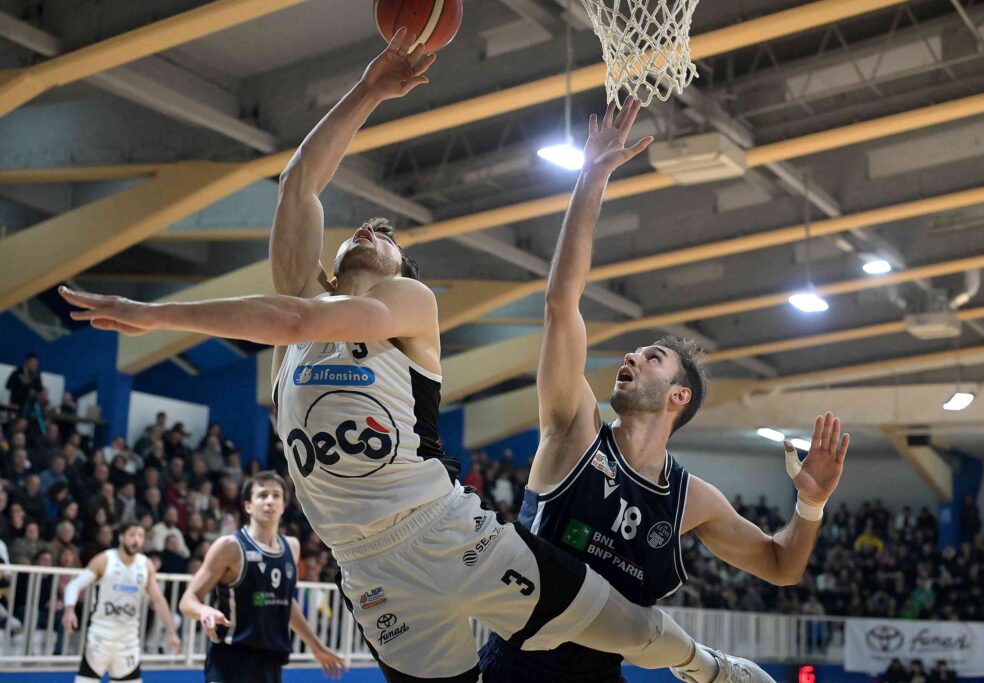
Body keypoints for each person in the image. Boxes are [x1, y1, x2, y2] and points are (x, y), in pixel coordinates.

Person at [60, 31, 784, 683]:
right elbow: (298, 185)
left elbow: (290, 315)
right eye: (363, 228)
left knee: (633, 628)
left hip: (446, 533)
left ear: (401, 264)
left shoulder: (409, 304)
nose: (372, 225)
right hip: (368, 569)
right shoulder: (301, 304)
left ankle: (709, 667)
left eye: (389, 234)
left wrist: (153, 313)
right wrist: (370, 87)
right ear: (334, 258)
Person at [477, 100, 851, 682]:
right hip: (513, 671)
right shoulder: (574, 431)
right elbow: (561, 304)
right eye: (633, 352)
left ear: (679, 398)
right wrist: (591, 178)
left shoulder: (690, 500)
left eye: (652, 358)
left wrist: (811, 505)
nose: (630, 356)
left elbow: (781, 565)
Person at [178, 471, 345, 682]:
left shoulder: (292, 548)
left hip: (271, 660)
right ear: (248, 505)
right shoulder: (230, 546)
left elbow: (285, 602)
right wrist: (204, 611)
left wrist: (317, 647)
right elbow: (187, 600)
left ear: (284, 506)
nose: (270, 501)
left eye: (276, 495)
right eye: (263, 495)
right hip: (231, 658)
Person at [62, 521, 181, 683]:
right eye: (132, 535)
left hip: (128, 641)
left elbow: (158, 600)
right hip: (100, 637)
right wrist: (69, 611)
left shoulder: (145, 565)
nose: (136, 540)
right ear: (121, 537)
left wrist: (171, 632)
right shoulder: (104, 560)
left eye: (140, 536)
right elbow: (74, 585)